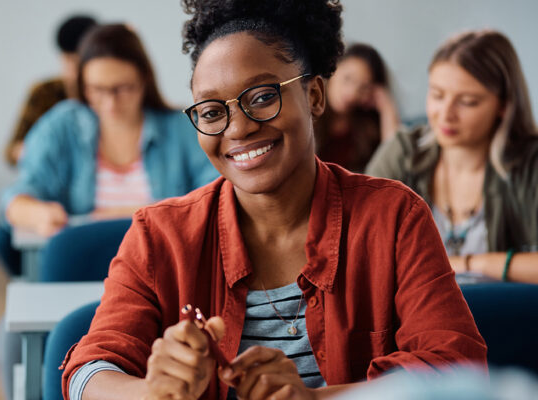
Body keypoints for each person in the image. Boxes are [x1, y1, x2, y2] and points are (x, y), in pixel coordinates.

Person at [62, 1, 486, 400]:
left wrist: (315, 398)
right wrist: (149, 391)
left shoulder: (393, 217)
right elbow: (86, 372)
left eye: (263, 96)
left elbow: (456, 369)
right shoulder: (160, 235)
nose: (238, 128)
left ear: (315, 96)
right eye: (211, 111)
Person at [0, 23, 219, 400]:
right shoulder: (63, 124)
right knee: (13, 335)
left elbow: (216, 194)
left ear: (144, 81)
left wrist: (117, 212)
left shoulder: (180, 129)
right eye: (97, 90)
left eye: (122, 88)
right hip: (82, 267)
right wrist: (39, 214)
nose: (110, 102)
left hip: (164, 278)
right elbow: (16, 196)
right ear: (82, 86)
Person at [366, 29, 538, 284]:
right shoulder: (403, 152)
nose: (445, 114)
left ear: (504, 105)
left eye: (467, 101)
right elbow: (354, 243)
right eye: (437, 95)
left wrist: (468, 264)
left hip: (499, 319)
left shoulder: (529, 162)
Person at [2, 15, 97, 167]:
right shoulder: (44, 92)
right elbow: (10, 152)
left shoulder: (104, 96)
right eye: (68, 60)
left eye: (80, 62)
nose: (74, 71)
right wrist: (36, 151)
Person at [315, 43, 399, 172]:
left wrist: (387, 109)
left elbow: (394, 165)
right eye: (347, 78)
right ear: (332, 69)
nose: (351, 93)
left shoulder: (366, 131)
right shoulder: (307, 113)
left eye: (363, 87)